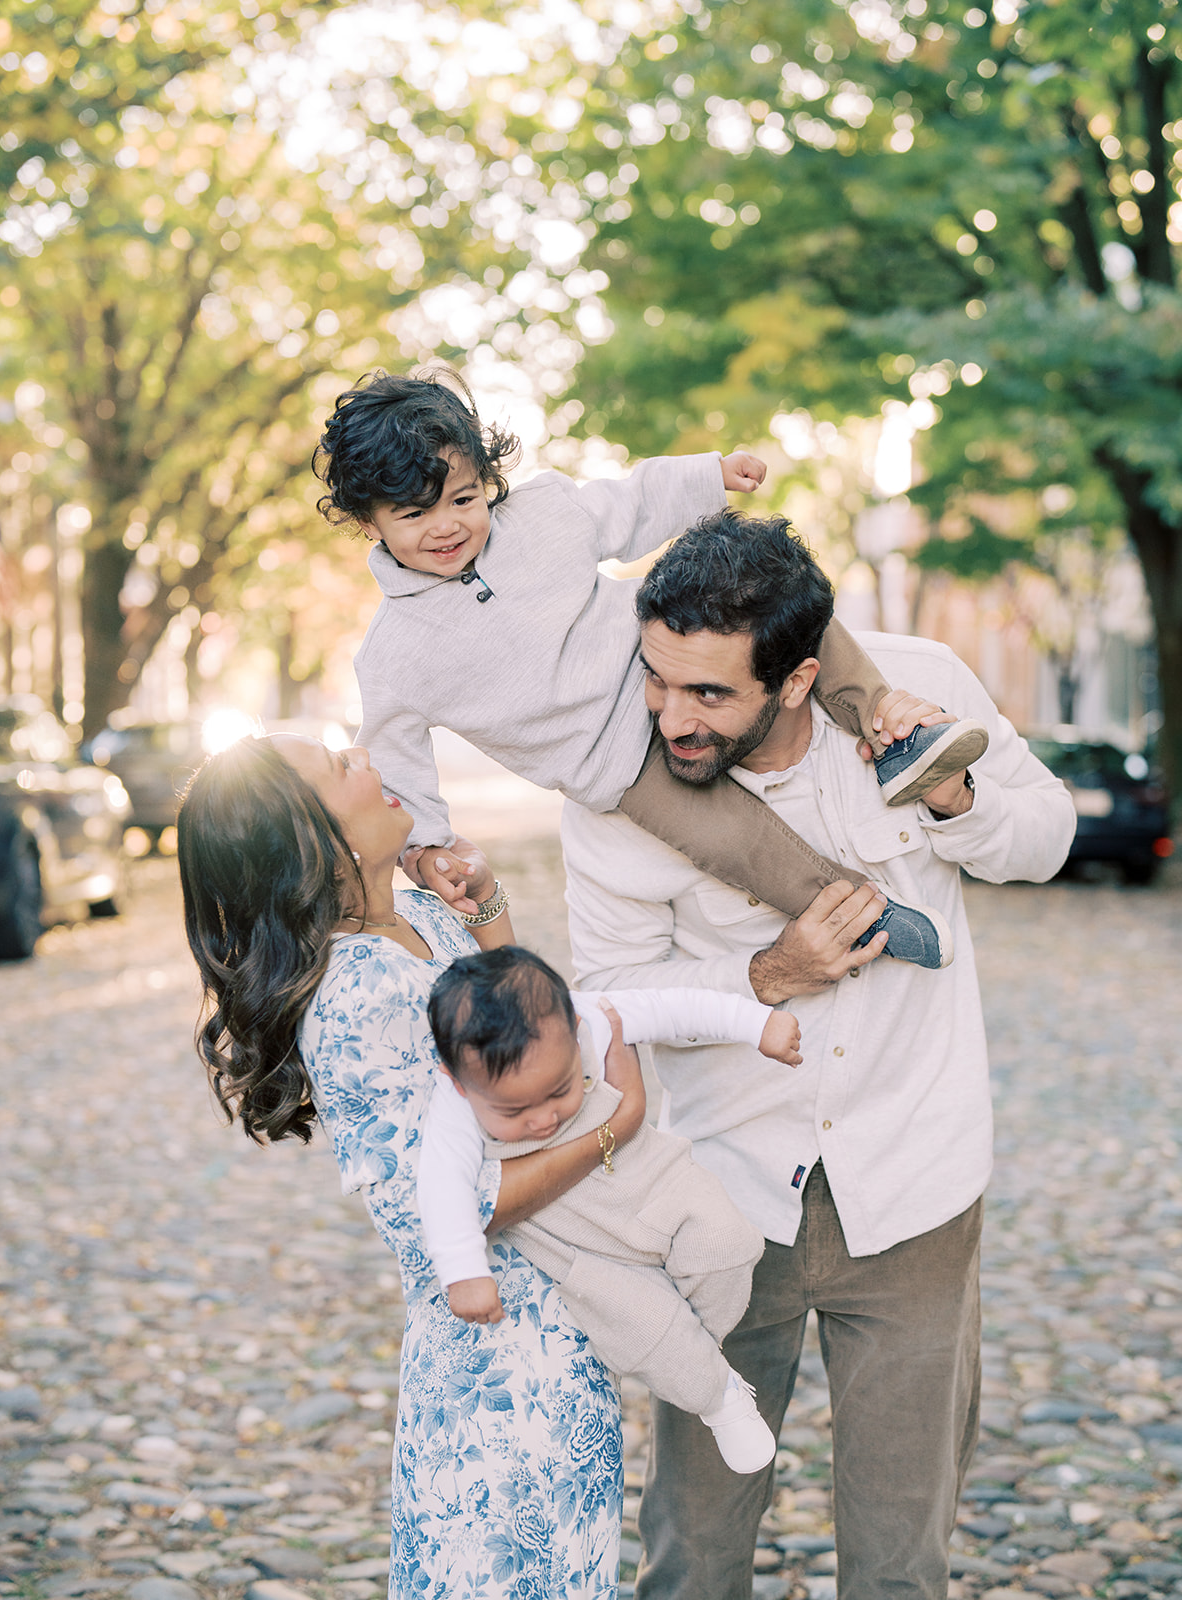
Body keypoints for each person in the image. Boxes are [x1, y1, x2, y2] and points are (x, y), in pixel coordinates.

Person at [557, 510, 1077, 1600]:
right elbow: (610, 999)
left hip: (917, 1187)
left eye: (710, 693)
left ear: (797, 679)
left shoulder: (917, 680)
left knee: (901, 1556)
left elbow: (1047, 834)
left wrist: (953, 794)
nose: (670, 715)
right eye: (658, 677)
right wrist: (765, 979)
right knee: (694, 1550)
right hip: (724, 1198)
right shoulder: (614, 783)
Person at [312, 367, 989, 966]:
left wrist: (704, 477)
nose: (447, 526)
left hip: (666, 663)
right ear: (368, 523)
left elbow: (629, 504)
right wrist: (425, 849)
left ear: (486, 480)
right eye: (413, 514)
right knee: (732, 841)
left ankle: (892, 730)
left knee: (774, 611)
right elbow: (396, 759)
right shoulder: (396, 654)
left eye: (464, 499)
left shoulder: (542, 514)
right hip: (617, 764)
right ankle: (859, 913)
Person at [177, 734, 641, 1598]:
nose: (366, 757)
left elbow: (523, 1046)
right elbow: (441, 1217)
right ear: (308, 838)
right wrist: (615, 1132)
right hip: (492, 1372)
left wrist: (486, 907)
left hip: (561, 1339)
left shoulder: (417, 920)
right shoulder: (357, 993)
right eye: (337, 765)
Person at [419, 945, 801, 1473]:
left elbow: (673, 1008)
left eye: (558, 1091)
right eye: (512, 1110)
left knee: (728, 1244)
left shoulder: (593, 1017)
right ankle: (718, 1398)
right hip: (581, 1244)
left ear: (575, 1031)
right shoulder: (453, 1107)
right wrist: (463, 1272)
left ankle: (697, 1361)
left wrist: (756, 1024)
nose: (542, 1120)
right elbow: (441, 1184)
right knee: (648, 1326)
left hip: (654, 1182)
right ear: (458, 1082)